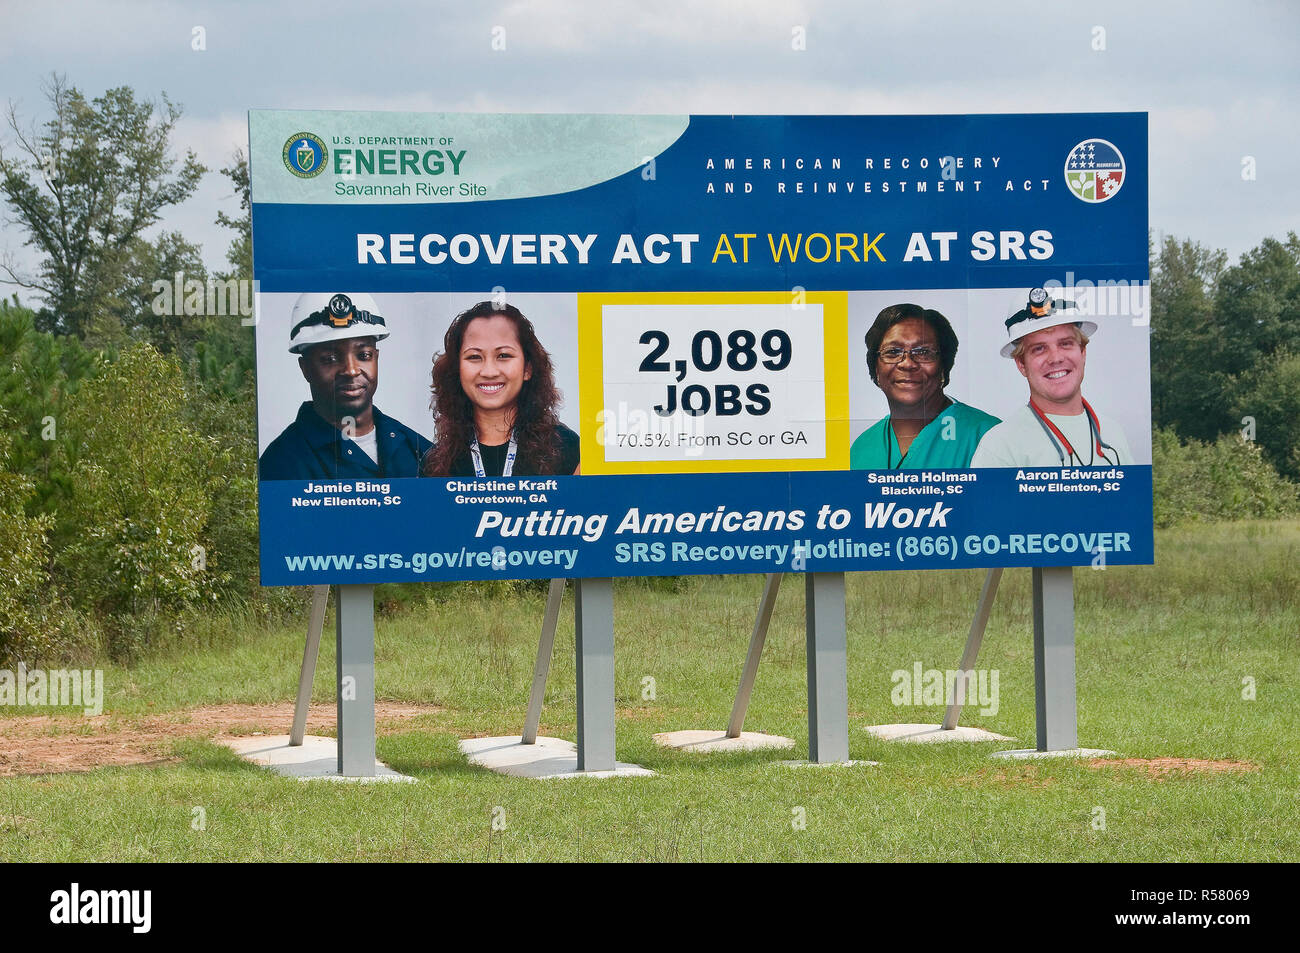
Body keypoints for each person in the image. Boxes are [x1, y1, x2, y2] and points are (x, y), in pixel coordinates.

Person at [259, 292, 432, 480]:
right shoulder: (280, 465)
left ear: (376, 358)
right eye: (330, 358)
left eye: (364, 355)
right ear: (305, 368)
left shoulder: (420, 451)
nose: (351, 370)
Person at [971, 288, 1132, 467]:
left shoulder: (1113, 433)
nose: (1055, 358)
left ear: (1083, 352)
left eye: (1065, 343)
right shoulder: (999, 447)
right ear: (1021, 364)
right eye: (1039, 348)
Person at [422, 301, 580, 477]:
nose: (489, 372)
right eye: (474, 357)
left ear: (527, 368)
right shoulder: (435, 463)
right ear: (457, 370)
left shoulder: (567, 449)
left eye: (504, 355)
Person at [849, 303, 999, 469]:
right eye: (892, 352)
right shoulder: (861, 448)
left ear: (944, 365)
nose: (907, 364)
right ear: (876, 368)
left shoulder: (989, 436)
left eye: (923, 352)